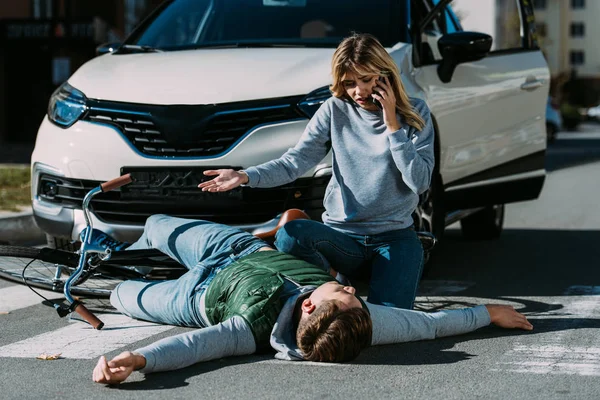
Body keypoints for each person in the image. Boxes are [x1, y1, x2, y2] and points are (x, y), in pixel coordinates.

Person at [90, 214, 533, 385]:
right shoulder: (364, 322)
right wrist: (487, 312)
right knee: (156, 224)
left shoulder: (249, 332)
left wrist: (137, 359)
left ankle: (101, 260)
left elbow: (193, 347)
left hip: (194, 295)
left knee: (119, 294)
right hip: (237, 248)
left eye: (342, 292)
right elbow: (432, 325)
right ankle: (121, 246)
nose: (353, 289)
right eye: (353, 295)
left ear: (308, 307)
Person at [198, 33, 435, 309]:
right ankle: (332, 283)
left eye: (367, 80)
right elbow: (294, 162)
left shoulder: (415, 113)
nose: (358, 91)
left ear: (385, 76)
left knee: (387, 321)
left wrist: (393, 125)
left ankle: (367, 283)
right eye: (349, 83)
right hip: (342, 238)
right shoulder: (334, 110)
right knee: (290, 234)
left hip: (395, 238)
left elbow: (419, 181)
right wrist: (245, 176)